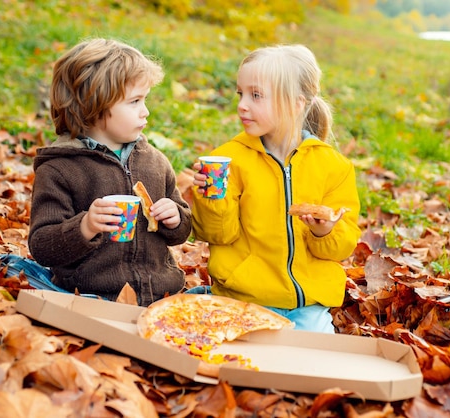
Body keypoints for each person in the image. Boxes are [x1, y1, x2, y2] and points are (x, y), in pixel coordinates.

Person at [190, 44, 361, 333]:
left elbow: (343, 247)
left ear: (296, 103)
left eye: (256, 95)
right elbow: (217, 234)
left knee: (312, 364)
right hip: (245, 297)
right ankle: (208, 302)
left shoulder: (333, 165)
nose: (242, 104)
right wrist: (211, 197)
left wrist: (325, 232)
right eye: (240, 94)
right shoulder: (231, 159)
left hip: (307, 303)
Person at [27, 38, 192, 305]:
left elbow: (181, 231)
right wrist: (85, 226)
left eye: (145, 99)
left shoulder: (155, 162)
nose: (145, 111)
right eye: (135, 101)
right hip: (93, 297)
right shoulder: (60, 169)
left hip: (162, 295)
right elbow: (42, 247)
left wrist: (176, 218)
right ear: (95, 104)